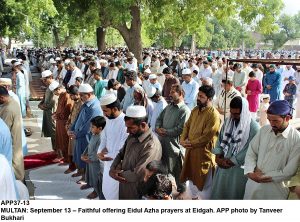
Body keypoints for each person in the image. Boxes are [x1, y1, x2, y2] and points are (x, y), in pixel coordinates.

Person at [244, 100, 300, 199]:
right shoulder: (264, 130)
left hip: (275, 190)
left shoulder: (296, 139)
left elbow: (289, 171)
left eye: (275, 121)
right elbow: (251, 152)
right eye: (269, 120)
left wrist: (261, 177)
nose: (271, 124)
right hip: (252, 185)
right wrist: (250, 172)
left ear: (287, 118)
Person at [211, 97, 260, 199]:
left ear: (244, 111)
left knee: (234, 196)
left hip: (238, 171)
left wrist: (232, 161)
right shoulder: (228, 121)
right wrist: (218, 156)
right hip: (223, 166)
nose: (233, 116)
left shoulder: (254, 128)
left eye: (237, 114)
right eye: (232, 113)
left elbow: (249, 150)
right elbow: (220, 139)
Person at [109, 105, 162, 199]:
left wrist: (116, 174)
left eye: (131, 128)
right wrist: (112, 169)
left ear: (143, 125)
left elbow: (139, 173)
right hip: (124, 185)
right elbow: (121, 154)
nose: (127, 131)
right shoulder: (133, 136)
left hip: (138, 190)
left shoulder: (151, 145)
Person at [180, 85, 221, 200]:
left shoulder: (214, 115)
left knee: (205, 184)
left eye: (202, 97)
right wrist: (183, 139)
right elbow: (187, 126)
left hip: (204, 154)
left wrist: (190, 143)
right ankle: (193, 199)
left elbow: (207, 137)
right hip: (191, 151)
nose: (198, 98)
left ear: (209, 99)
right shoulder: (195, 110)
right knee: (192, 180)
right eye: (198, 95)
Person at [155, 84, 190, 198]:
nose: (169, 94)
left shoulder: (184, 110)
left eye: (172, 92)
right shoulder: (169, 106)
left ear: (180, 94)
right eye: (170, 92)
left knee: (177, 170)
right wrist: (157, 127)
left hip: (174, 146)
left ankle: (182, 190)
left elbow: (180, 129)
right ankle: (166, 189)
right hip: (163, 142)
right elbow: (159, 118)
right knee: (164, 168)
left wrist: (165, 131)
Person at [68, 84, 103, 181]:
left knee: (87, 158)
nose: (80, 97)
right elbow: (78, 118)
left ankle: (87, 179)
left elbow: (88, 126)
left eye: (82, 95)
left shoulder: (95, 107)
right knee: (80, 156)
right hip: (79, 136)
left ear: (88, 94)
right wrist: (71, 129)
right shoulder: (85, 104)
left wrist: (76, 134)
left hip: (87, 137)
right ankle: (82, 174)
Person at [97, 94, 128, 200]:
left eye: (105, 111)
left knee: (115, 195)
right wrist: (100, 151)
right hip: (107, 164)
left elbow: (123, 150)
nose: (103, 114)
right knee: (107, 191)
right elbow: (103, 139)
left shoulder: (125, 123)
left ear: (114, 109)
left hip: (118, 166)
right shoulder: (107, 120)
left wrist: (106, 155)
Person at [0, 86, 24, 181]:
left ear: (2, 97)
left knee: (14, 163)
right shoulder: (12, 101)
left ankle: (17, 183)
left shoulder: (8, 109)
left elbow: (3, 129)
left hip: (11, 140)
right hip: (15, 137)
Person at [81, 116, 106, 199]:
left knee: (97, 180)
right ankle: (95, 190)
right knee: (91, 177)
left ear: (100, 128)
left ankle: (99, 194)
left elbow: (97, 152)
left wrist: (89, 159)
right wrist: (84, 154)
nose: (90, 128)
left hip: (96, 164)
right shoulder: (94, 134)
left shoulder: (101, 138)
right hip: (90, 162)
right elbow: (89, 146)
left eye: (93, 127)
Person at [51, 82, 73, 163]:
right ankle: (64, 158)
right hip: (59, 122)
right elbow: (59, 108)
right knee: (60, 140)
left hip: (64, 122)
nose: (55, 94)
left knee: (65, 141)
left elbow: (67, 111)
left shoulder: (67, 96)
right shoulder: (61, 95)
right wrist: (55, 114)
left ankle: (68, 160)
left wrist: (57, 116)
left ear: (59, 89)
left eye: (55, 92)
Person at [38, 70, 58, 151]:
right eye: (43, 80)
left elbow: (54, 101)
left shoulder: (55, 85)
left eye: (45, 80)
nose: (44, 81)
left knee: (54, 132)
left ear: (50, 77)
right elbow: (45, 96)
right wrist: (41, 103)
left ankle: (58, 151)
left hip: (53, 112)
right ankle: (55, 150)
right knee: (51, 132)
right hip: (48, 112)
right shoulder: (50, 85)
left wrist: (43, 107)